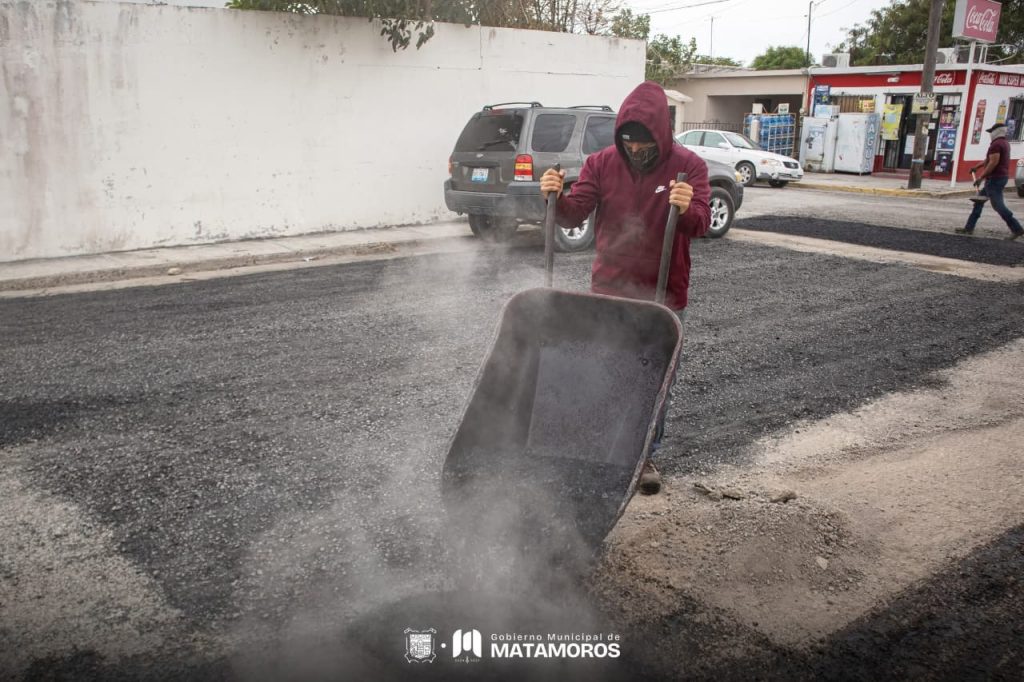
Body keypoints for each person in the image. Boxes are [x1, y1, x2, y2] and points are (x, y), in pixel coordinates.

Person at [539, 81, 711, 495]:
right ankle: (598, 447)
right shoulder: (601, 163)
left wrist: (687, 207)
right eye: (628, 141)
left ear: (661, 132)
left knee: (654, 382)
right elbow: (573, 212)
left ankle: (643, 454)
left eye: (644, 141)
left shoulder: (689, 167)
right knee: (603, 374)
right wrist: (554, 198)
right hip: (609, 291)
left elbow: (702, 222)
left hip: (662, 296)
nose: (636, 149)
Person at [955, 122, 1024, 240]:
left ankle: (1017, 228)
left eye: (991, 131)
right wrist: (976, 167)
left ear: (997, 132)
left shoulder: (996, 145)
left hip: (995, 179)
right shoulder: (1004, 143)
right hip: (998, 178)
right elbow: (988, 160)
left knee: (998, 206)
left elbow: (993, 162)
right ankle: (969, 227)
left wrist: (981, 177)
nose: (990, 134)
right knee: (978, 202)